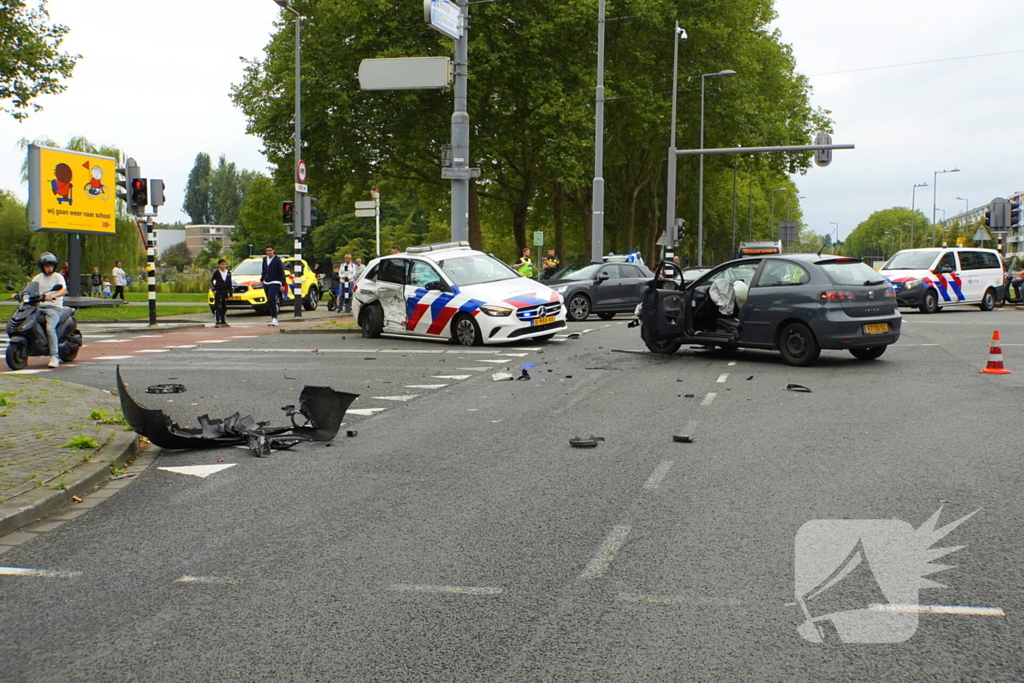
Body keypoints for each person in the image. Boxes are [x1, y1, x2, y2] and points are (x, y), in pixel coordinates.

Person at [31, 253, 67, 368]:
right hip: (39, 306)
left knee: (49, 327)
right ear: (42, 266)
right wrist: (20, 295)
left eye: (51, 266)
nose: (49, 268)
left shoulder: (58, 277)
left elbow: (63, 290)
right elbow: (31, 289)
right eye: (47, 266)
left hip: (54, 307)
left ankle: (54, 356)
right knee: (27, 321)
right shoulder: (37, 278)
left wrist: (54, 295)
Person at [260, 245, 285, 326]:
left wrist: (282, 284)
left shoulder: (277, 260)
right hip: (266, 281)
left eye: (270, 251)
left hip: (275, 281)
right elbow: (264, 270)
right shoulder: (264, 259)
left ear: (273, 251)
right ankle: (273, 318)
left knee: (272, 298)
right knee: (269, 300)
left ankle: (275, 318)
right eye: (267, 251)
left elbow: (281, 271)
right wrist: (262, 279)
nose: (268, 252)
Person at [210, 258, 233, 327]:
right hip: (218, 291)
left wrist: (230, 292)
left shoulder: (228, 273)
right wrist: (214, 289)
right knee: (218, 306)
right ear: (219, 265)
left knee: (224, 306)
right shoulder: (216, 273)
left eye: (225, 264)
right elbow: (211, 281)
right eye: (222, 264)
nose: (224, 266)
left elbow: (229, 283)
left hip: (225, 291)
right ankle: (217, 320)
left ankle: (223, 320)